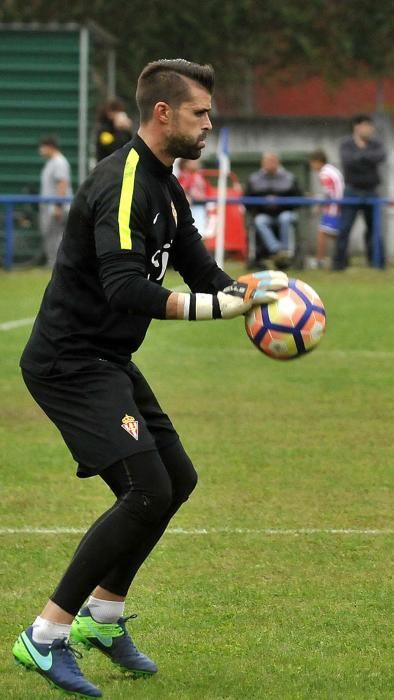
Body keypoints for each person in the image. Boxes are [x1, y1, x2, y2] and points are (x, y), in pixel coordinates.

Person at [13, 58, 288, 698]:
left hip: (106, 359)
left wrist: (257, 291)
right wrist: (216, 306)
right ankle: (45, 635)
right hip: (69, 362)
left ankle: (104, 618)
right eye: (200, 113)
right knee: (144, 489)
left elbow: (200, 271)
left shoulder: (168, 183)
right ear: (163, 113)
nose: (209, 124)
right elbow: (124, 289)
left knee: (176, 480)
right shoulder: (125, 181)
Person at [332, 113, 386, 270]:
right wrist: (365, 158)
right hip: (352, 191)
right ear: (356, 127)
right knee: (344, 229)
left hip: (371, 191)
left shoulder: (376, 143)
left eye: (370, 126)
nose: (369, 129)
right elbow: (348, 161)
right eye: (365, 126)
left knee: (374, 230)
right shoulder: (346, 144)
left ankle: (377, 263)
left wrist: (360, 157)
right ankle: (338, 265)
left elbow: (380, 157)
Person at [244, 152, 302, 267]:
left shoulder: (289, 178)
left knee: (285, 218)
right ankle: (277, 250)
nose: (268, 164)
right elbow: (247, 200)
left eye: (271, 161)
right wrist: (264, 204)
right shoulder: (254, 179)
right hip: (264, 214)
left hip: (285, 213)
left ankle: (286, 252)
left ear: (278, 162)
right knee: (260, 220)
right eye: (266, 162)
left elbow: (298, 199)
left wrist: (279, 202)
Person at [38, 136, 73, 268]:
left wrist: (58, 206)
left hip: (56, 207)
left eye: (43, 146)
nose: (40, 150)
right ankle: (53, 263)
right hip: (49, 206)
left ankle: (57, 264)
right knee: (50, 235)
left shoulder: (59, 162)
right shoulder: (51, 162)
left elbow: (62, 183)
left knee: (56, 236)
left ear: (50, 146)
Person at [309, 149, 344, 267]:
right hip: (337, 206)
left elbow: (327, 193)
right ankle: (341, 257)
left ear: (318, 161)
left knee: (322, 233)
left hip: (333, 208)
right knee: (335, 234)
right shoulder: (332, 170)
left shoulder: (324, 173)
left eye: (312, 163)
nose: (311, 166)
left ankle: (320, 260)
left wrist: (315, 200)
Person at [177, 158, 208, 232]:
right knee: (193, 230)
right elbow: (181, 190)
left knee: (201, 231)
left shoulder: (198, 175)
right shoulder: (185, 175)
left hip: (201, 206)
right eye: (193, 160)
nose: (196, 162)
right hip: (192, 207)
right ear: (185, 163)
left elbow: (207, 190)